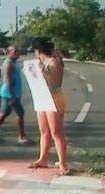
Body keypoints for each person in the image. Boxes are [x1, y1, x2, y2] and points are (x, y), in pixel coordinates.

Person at [29, 37, 70, 175]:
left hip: (54, 98)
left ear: (38, 51)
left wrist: (43, 72)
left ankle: (63, 164)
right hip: (42, 98)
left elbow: (55, 82)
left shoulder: (53, 63)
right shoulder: (40, 63)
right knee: (44, 131)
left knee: (56, 132)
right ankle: (43, 159)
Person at [0, 46, 28, 144]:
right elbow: (7, 80)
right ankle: (21, 137)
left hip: (9, 93)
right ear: (9, 52)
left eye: (18, 51)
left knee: (3, 114)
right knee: (20, 113)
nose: (18, 53)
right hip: (10, 93)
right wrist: (12, 95)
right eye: (15, 51)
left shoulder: (13, 62)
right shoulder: (9, 64)